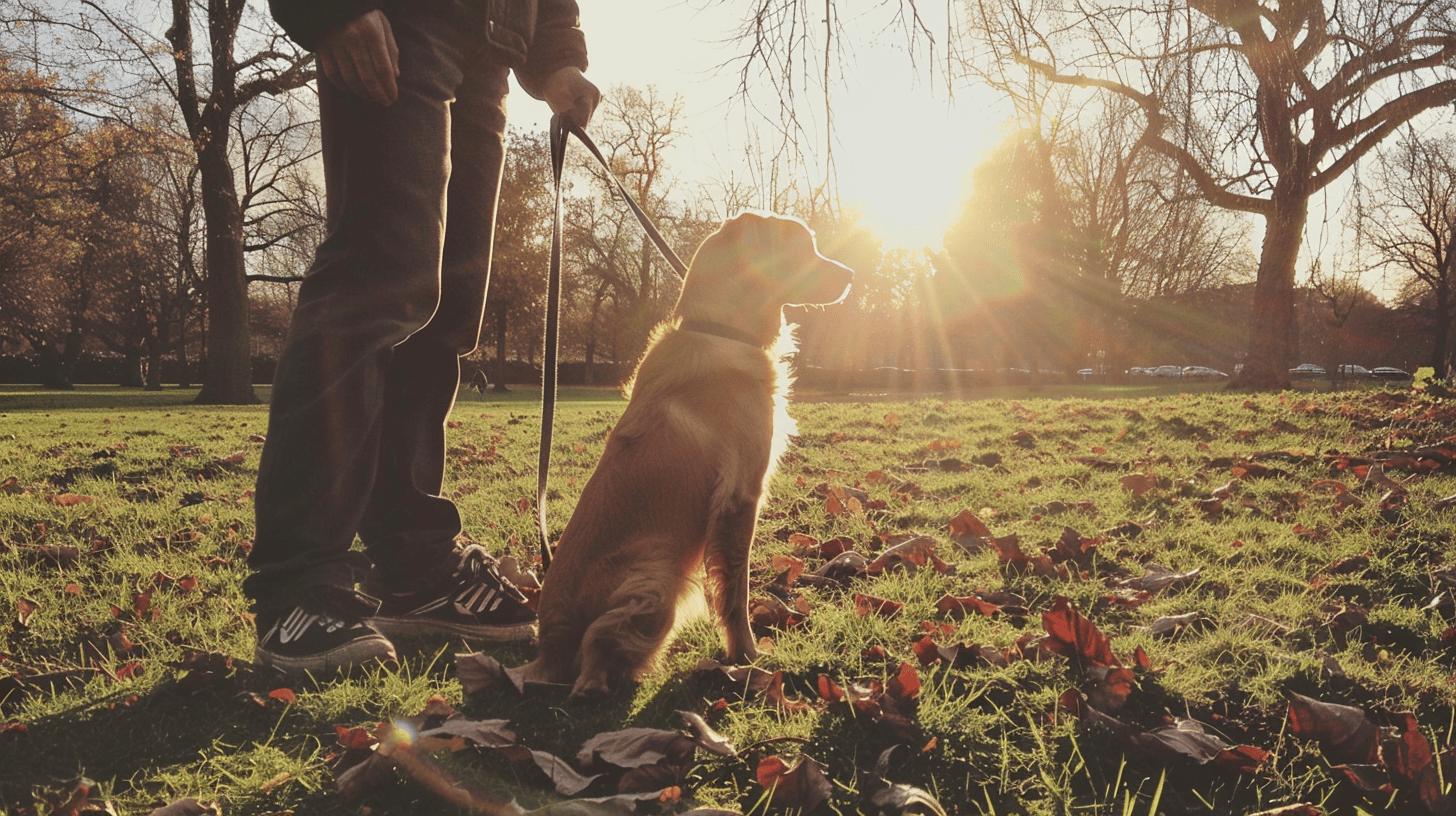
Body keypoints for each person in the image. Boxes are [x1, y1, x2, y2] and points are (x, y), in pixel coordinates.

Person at [247, 0, 600, 673]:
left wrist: (556, 57)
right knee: (378, 278)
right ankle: (298, 583)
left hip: (494, 44)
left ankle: (413, 568)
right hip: (396, 20)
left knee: (448, 306)